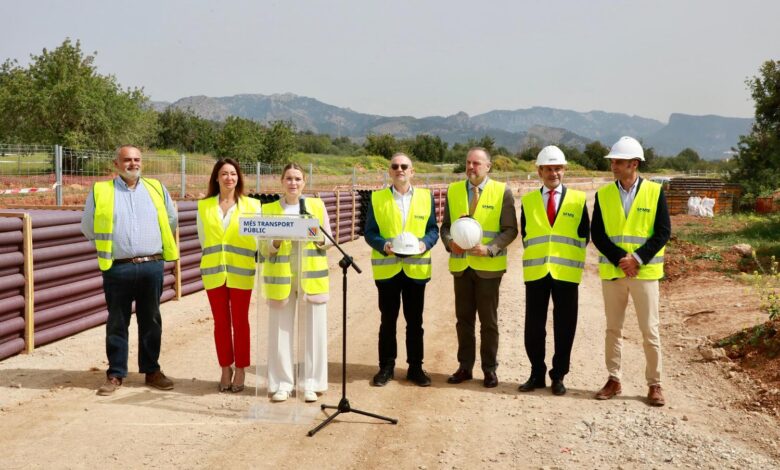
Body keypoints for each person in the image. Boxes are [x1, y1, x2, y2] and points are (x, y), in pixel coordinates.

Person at [81, 145, 179, 396]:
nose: (132, 164)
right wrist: (111, 250)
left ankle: (152, 371)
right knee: (117, 321)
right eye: (127, 160)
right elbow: (88, 226)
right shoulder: (101, 190)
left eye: (137, 159)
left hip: (151, 265)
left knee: (151, 320)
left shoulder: (156, 188)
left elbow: (170, 219)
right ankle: (115, 373)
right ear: (116, 164)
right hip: (118, 267)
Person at [591, 136, 671, 407]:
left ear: (634, 164)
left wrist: (637, 258)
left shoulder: (655, 191)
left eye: (618, 161)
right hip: (614, 273)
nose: (613, 165)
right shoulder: (603, 194)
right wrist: (620, 259)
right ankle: (614, 379)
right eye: (612, 161)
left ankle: (654, 384)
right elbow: (598, 235)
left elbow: (663, 232)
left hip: (644, 273)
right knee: (613, 328)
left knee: (650, 330)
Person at [440, 147, 518, 388]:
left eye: (476, 163)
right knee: (463, 320)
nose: (471, 167)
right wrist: (449, 243)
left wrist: (491, 248)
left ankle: (489, 369)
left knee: (489, 322)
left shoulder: (501, 191)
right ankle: (465, 367)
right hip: (462, 267)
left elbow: (510, 230)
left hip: (488, 267)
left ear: (488, 167)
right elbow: (445, 227)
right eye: (468, 162)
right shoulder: (453, 191)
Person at [518, 146, 589, 396]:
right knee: (534, 327)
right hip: (537, 273)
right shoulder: (527, 201)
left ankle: (558, 375)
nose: (553, 173)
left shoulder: (579, 201)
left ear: (564, 170)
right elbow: (526, 234)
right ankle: (537, 373)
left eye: (557, 168)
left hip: (566, 274)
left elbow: (584, 236)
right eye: (548, 168)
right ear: (539, 171)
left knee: (565, 326)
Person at [364, 153, 439, 387]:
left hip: (416, 270)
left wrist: (424, 244)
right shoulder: (377, 199)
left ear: (412, 171)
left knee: (415, 322)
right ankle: (386, 367)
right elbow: (370, 232)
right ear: (390, 171)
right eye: (395, 166)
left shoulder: (426, 198)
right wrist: (383, 245)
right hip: (388, 270)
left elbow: (433, 230)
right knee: (388, 320)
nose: (400, 170)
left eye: (404, 166)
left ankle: (415, 367)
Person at [262, 163, 332, 403]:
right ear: (281, 182)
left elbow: (328, 240)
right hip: (282, 279)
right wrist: (277, 242)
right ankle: (282, 383)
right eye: (289, 178)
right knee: (280, 333)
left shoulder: (316, 206)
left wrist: (314, 234)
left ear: (305, 182)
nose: (293, 183)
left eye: (298, 179)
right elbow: (262, 247)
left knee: (314, 333)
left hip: (310, 277)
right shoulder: (269, 209)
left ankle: (311, 383)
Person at [197, 158, 261, 393]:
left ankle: (241, 367)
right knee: (221, 323)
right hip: (214, 274)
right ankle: (225, 367)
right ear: (216, 177)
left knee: (240, 322)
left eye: (233, 174)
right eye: (224, 173)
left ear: (239, 178)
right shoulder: (204, 206)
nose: (229, 178)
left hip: (241, 273)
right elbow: (204, 240)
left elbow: (256, 241)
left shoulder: (253, 206)